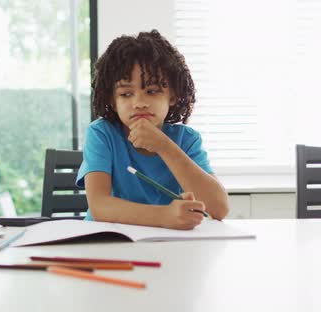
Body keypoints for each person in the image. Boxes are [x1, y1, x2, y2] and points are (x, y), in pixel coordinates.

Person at [76, 29, 229, 230]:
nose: (139, 103)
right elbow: (99, 207)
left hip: (164, 245)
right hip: (109, 241)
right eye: (126, 94)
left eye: (151, 91)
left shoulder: (187, 139)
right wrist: (166, 216)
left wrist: (164, 146)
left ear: (173, 96)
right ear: (112, 100)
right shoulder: (102, 134)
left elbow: (219, 208)